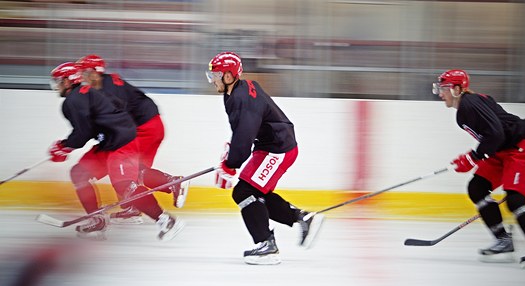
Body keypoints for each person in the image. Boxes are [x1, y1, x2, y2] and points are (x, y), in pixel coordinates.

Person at [206, 51, 324, 265]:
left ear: (230, 75)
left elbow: (244, 133)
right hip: (270, 145)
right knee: (254, 192)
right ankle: (302, 218)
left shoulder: (241, 99)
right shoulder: (234, 92)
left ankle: (267, 246)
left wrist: (231, 163)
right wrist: (231, 156)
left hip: (278, 148)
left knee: (244, 191)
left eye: (216, 75)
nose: (213, 80)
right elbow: (241, 132)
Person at [433, 69, 525, 268]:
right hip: (503, 149)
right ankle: (503, 240)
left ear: (457, 89)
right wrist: (471, 157)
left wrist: (473, 157)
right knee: (477, 187)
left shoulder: (469, 104)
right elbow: (493, 137)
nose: (440, 93)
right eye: (438, 88)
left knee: (515, 198)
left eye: (444, 88)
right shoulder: (465, 109)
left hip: (521, 147)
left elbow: (495, 134)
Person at [48, 62, 185, 241]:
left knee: (124, 184)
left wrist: (63, 147)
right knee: (79, 173)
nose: (56, 85)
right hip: (113, 140)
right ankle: (97, 219)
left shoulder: (72, 101)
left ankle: (165, 220)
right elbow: (113, 109)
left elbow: (83, 133)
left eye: (59, 81)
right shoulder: (89, 93)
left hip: (121, 141)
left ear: (68, 81)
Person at [76, 54, 187, 225]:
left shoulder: (107, 90)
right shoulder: (103, 85)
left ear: (95, 72)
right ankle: (133, 208)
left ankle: (172, 183)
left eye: (84, 72)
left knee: (126, 170)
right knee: (130, 171)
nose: (81, 77)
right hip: (148, 126)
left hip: (145, 129)